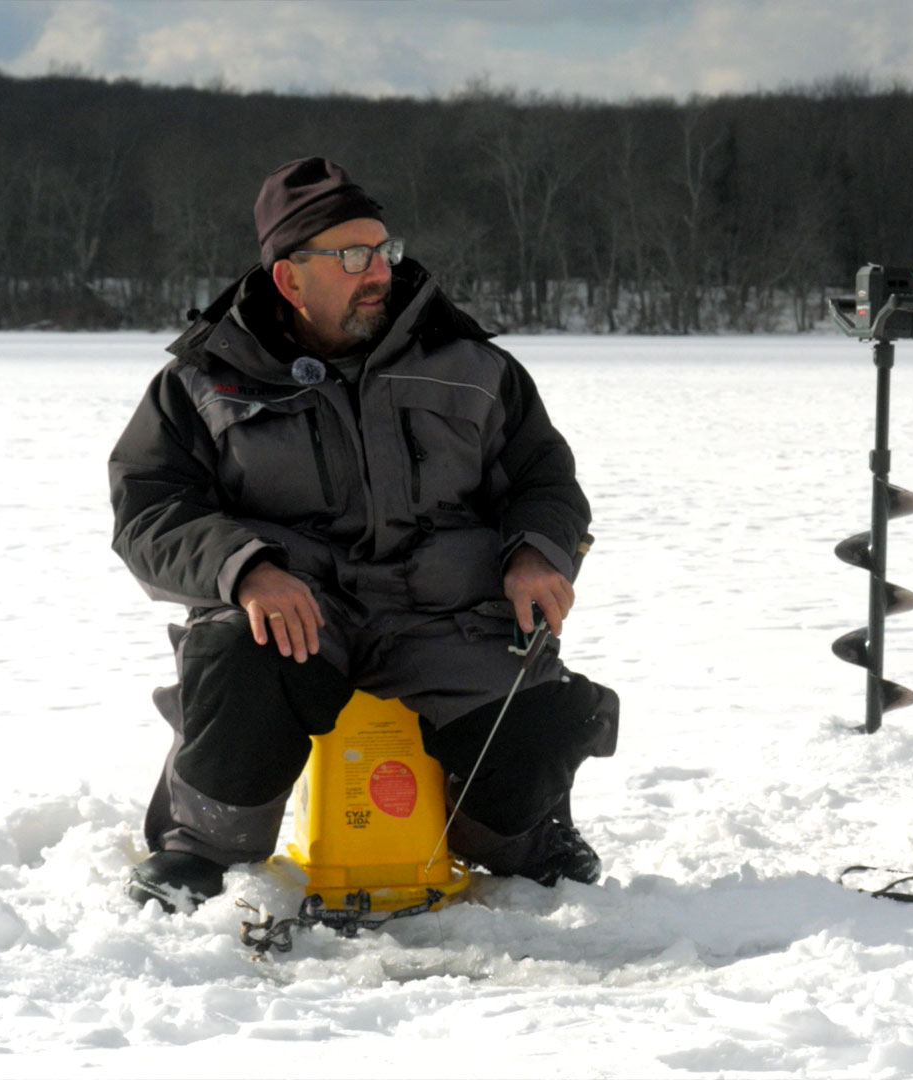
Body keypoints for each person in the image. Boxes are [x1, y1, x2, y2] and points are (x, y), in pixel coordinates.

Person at [110, 157, 615, 913]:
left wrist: (537, 551)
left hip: (449, 614)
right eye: (352, 257)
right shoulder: (204, 381)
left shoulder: (474, 366)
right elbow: (149, 510)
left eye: (383, 250)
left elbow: (543, 474)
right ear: (289, 278)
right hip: (303, 609)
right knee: (238, 647)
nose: (377, 270)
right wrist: (245, 571)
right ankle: (204, 847)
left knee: (534, 723)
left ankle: (519, 835)